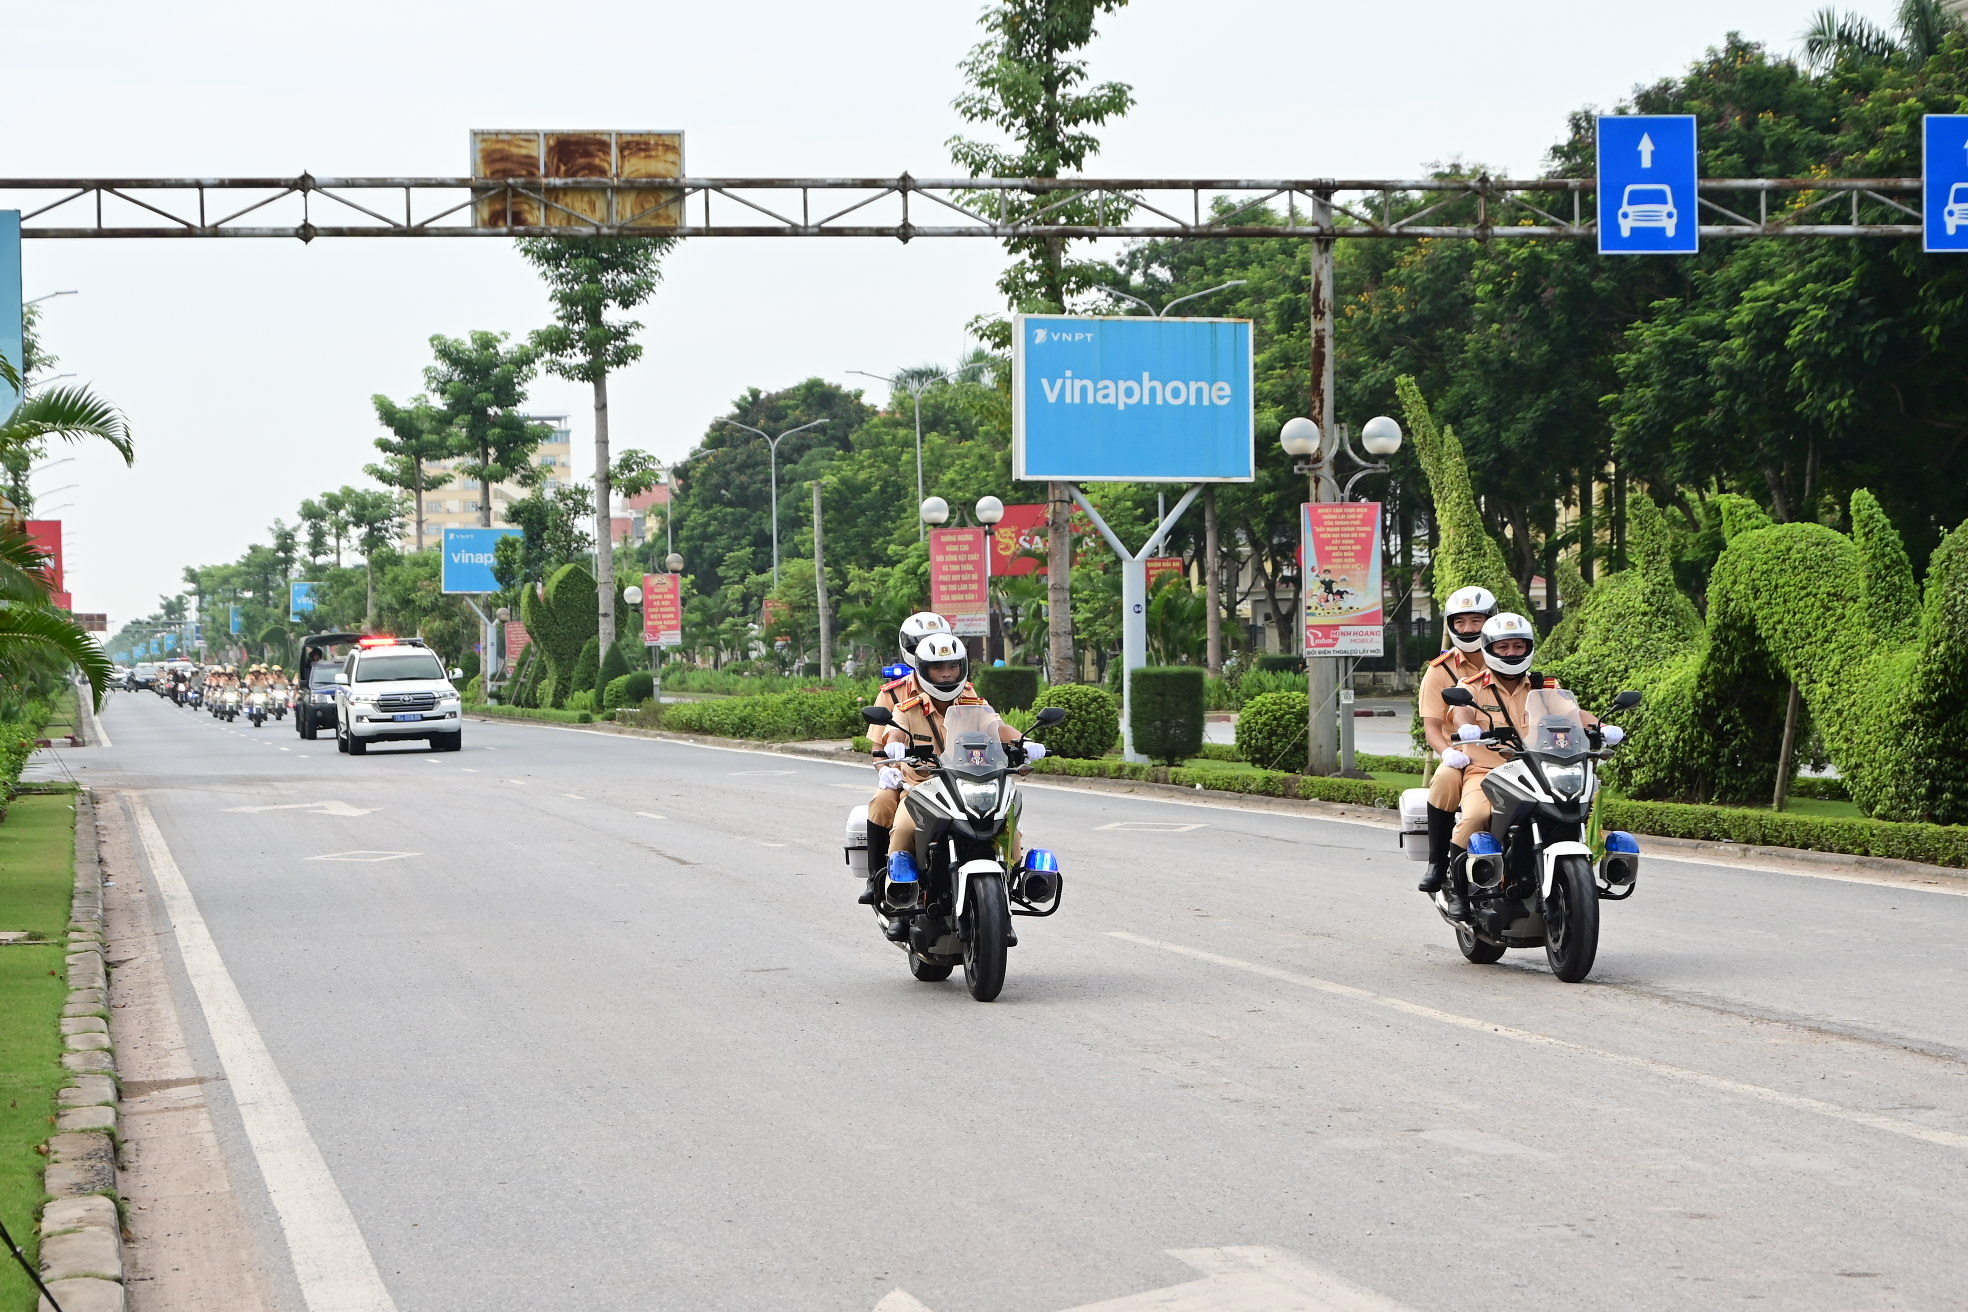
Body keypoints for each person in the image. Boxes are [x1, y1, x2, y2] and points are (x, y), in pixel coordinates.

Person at [860, 631, 1045, 935]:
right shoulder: (908, 709)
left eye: (953, 667)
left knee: (1008, 832)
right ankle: (900, 905)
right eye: (938, 668)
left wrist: (1025, 742)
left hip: (968, 785)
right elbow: (895, 733)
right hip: (922, 788)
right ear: (923, 669)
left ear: (963, 668)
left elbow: (997, 727)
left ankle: (1005, 903)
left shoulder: (974, 704)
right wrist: (894, 746)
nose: (946, 674)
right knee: (905, 829)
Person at [1439, 613, 1622, 917]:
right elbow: (1461, 713)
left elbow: (1573, 713)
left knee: (1574, 809)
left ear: (1529, 648)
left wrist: (1602, 727)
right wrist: (1468, 727)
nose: (1512, 652)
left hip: (1536, 767)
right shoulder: (1470, 685)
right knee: (1475, 817)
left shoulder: (1544, 685)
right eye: (1504, 647)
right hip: (1487, 772)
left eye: (1518, 646)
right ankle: (1455, 889)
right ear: (1490, 649)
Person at [855, 612, 959, 906]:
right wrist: (887, 769)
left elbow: (987, 725)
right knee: (883, 802)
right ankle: (881, 881)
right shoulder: (896, 692)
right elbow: (880, 745)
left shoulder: (961, 688)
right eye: (924, 645)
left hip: (955, 776)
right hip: (906, 775)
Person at [1416, 586, 1498, 899]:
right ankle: (1438, 862)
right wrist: (1448, 753)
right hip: (1462, 756)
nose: (1467, 629)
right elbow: (1433, 727)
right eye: (1460, 622)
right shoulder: (1440, 670)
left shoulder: (1509, 658)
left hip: (1508, 754)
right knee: (1445, 779)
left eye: (1475, 621)